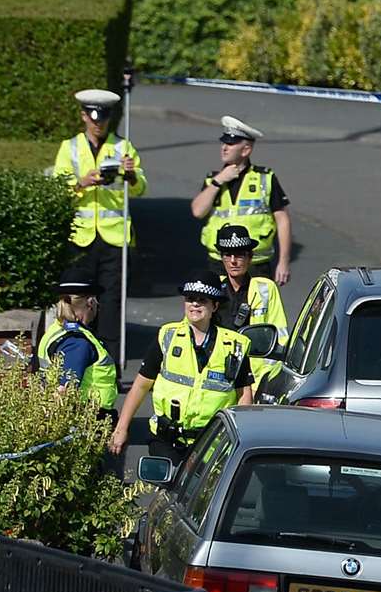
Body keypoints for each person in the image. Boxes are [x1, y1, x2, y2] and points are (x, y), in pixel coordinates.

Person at [108, 280, 253, 464]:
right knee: (170, 488)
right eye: (190, 299)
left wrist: (240, 438)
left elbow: (243, 394)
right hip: (166, 439)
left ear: (215, 306)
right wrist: (121, 428)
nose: (194, 304)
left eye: (202, 300)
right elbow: (140, 386)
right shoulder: (168, 336)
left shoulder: (235, 345)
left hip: (211, 444)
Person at [52, 88, 144, 363]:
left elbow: (141, 188)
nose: (98, 123)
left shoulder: (123, 147)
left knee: (111, 306)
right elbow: (57, 187)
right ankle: (77, 359)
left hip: (114, 239)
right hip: (80, 239)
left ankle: (110, 365)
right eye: (93, 118)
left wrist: (129, 176)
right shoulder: (70, 148)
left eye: (103, 119)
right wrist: (82, 182)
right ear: (83, 117)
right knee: (77, 302)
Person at [191, 115, 291, 285]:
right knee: (220, 310)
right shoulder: (213, 180)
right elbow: (197, 211)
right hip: (220, 262)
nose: (224, 148)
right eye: (223, 143)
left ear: (245, 150)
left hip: (255, 263)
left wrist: (283, 262)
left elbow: (282, 220)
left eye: (230, 144)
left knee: (257, 309)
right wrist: (219, 181)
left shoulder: (264, 178)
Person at [212, 224, 288, 383]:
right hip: (217, 374)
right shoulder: (213, 289)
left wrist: (269, 378)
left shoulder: (266, 288)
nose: (233, 261)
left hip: (256, 377)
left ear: (250, 257)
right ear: (222, 257)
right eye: (228, 255)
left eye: (239, 255)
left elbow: (280, 336)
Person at [35, 276, 119, 416]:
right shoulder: (77, 343)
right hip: (85, 419)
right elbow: (65, 389)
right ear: (90, 303)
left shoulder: (57, 329)